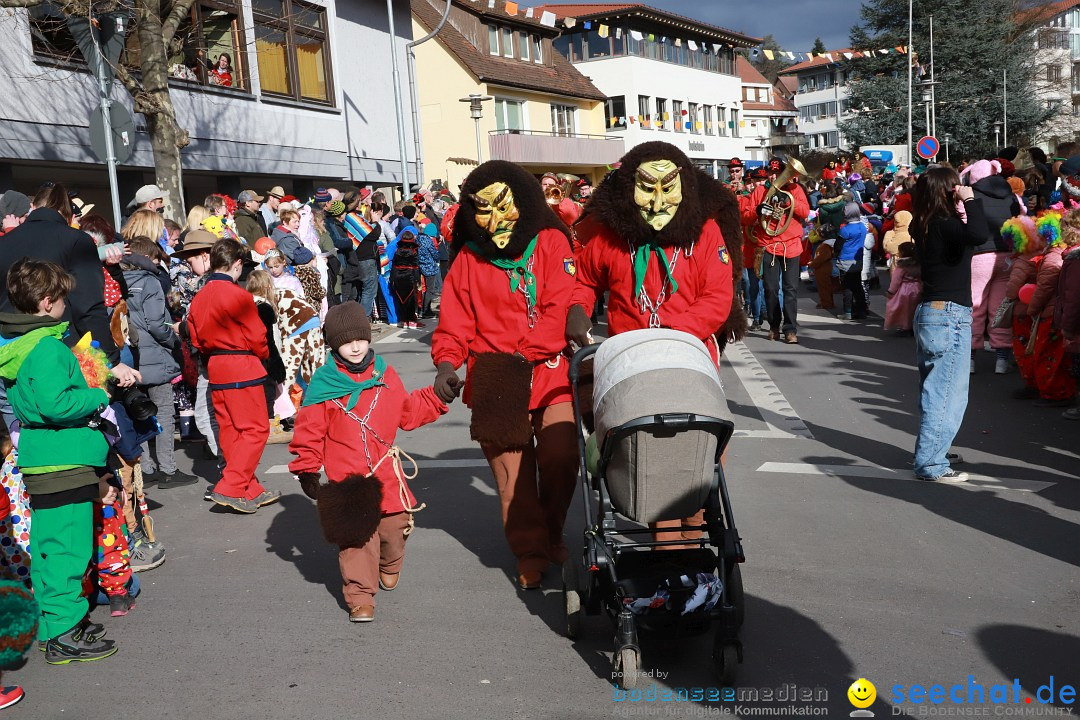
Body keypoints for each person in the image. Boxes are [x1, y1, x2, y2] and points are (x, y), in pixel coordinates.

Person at [565, 141, 741, 547]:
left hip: (689, 358)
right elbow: (586, 280)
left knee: (700, 444)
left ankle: (691, 531)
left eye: (668, 186)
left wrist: (671, 332)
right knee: (646, 449)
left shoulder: (706, 233)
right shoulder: (610, 238)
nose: (659, 199)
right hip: (631, 364)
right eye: (648, 186)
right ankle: (668, 541)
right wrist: (578, 307)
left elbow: (717, 298)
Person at [431, 160, 579, 590]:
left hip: (547, 370)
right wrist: (446, 362)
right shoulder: (469, 260)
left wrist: (528, 352)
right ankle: (530, 550)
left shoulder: (551, 242)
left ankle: (552, 531)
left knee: (562, 454)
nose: (494, 220)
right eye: (482, 209)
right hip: (495, 376)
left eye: (502, 205)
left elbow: (558, 304)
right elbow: (454, 321)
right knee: (512, 478)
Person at [289, 302, 449, 622]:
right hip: (346, 479)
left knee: (394, 528)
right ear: (334, 344)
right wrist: (306, 468)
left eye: (360, 339)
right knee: (356, 540)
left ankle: (390, 562)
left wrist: (437, 396)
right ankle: (360, 596)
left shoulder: (384, 373)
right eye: (347, 342)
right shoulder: (322, 383)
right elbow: (309, 429)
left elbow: (407, 411)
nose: (356, 347)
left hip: (384, 470)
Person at [0, 258, 117, 663]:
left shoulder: (22, 345)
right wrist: (98, 395)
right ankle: (64, 631)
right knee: (67, 550)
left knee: (54, 547)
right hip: (62, 457)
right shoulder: (47, 347)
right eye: (63, 299)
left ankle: (61, 622)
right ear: (48, 302)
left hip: (45, 457)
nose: (68, 305)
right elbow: (55, 404)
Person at [0, 184, 139, 433]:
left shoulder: (6, 242)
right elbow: (90, 308)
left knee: (21, 433)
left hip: (8, 350)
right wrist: (112, 360)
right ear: (67, 212)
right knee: (72, 427)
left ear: (33, 207)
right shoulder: (75, 241)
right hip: (63, 349)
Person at [186, 239, 279, 513]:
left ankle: (250, 488)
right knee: (255, 429)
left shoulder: (200, 296)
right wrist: (262, 355)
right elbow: (257, 336)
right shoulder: (239, 295)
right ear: (237, 264)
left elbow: (195, 336)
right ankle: (232, 486)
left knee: (231, 430)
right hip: (241, 363)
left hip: (216, 366)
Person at [910, 167, 987, 483]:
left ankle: (933, 450)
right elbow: (980, 234)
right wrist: (970, 200)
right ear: (947, 191)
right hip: (948, 316)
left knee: (935, 389)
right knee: (946, 394)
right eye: (956, 186)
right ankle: (931, 462)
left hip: (932, 313)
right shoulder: (944, 224)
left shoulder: (925, 223)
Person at [121, 238, 198, 489]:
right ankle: (168, 469)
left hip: (131, 357)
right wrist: (172, 339)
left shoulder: (118, 282)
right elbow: (156, 323)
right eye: (155, 259)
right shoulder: (149, 282)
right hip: (155, 354)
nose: (157, 263)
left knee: (139, 411)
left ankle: (147, 468)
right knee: (163, 411)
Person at [742, 158, 810, 344]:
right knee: (770, 289)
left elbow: (806, 212)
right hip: (768, 246)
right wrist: (758, 210)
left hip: (791, 247)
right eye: (771, 173)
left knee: (791, 290)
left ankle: (790, 329)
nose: (774, 176)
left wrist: (791, 201)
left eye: (778, 173)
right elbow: (746, 218)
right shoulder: (760, 191)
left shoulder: (796, 190)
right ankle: (774, 325)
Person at [962, 160, 1020, 375]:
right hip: (1007, 256)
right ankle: (1002, 360)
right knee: (1001, 308)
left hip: (979, 256)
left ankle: (970, 359)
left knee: (975, 307)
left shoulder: (971, 196)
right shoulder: (1011, 195)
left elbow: (963, 220)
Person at [391, 225, 422, 329]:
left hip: (398, 278)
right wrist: (418, 281)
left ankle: (403, 320)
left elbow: (394, 268)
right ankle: (411, 321)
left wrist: (392, 281)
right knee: (411, 300)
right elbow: (416, 267)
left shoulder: (397, 252)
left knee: (402, 300)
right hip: (410, 277)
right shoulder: (413, 252)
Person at [418, 223, 442, 318]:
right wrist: (438, 256)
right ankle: (427, 311)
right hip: (429, 267)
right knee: (430, 289)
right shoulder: (428, 241)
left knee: (422, 289)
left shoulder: (418, 239)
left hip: (420, 266)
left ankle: (421, 309)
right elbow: (435, 254)